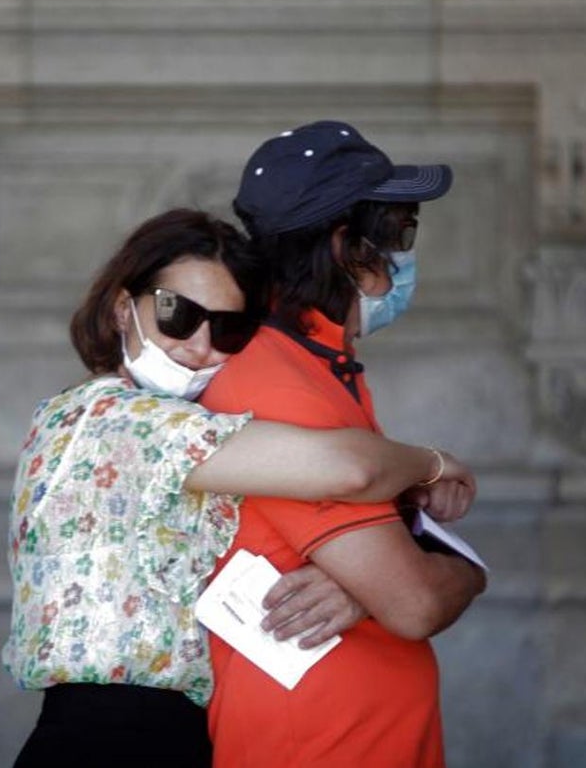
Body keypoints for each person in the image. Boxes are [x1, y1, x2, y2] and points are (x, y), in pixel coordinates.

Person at [2, 208, 476, 767]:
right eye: (178, 314)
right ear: (121, 308)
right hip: (107, 736)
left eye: (227, 328)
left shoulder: (193, 441)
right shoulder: (110, 420)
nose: (200, 346)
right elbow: (349, 469)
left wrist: (356, 588)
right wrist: (435, 464)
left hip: (184, 733)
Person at [200, 121, 488, 768]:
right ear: (344, 245)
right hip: (316, 741)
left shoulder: (318, 360)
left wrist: (371, 586)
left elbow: (392, 578)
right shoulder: (272, 377)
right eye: (402, 231)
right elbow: (412, 601)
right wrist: (469, 572)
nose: (407, 253)